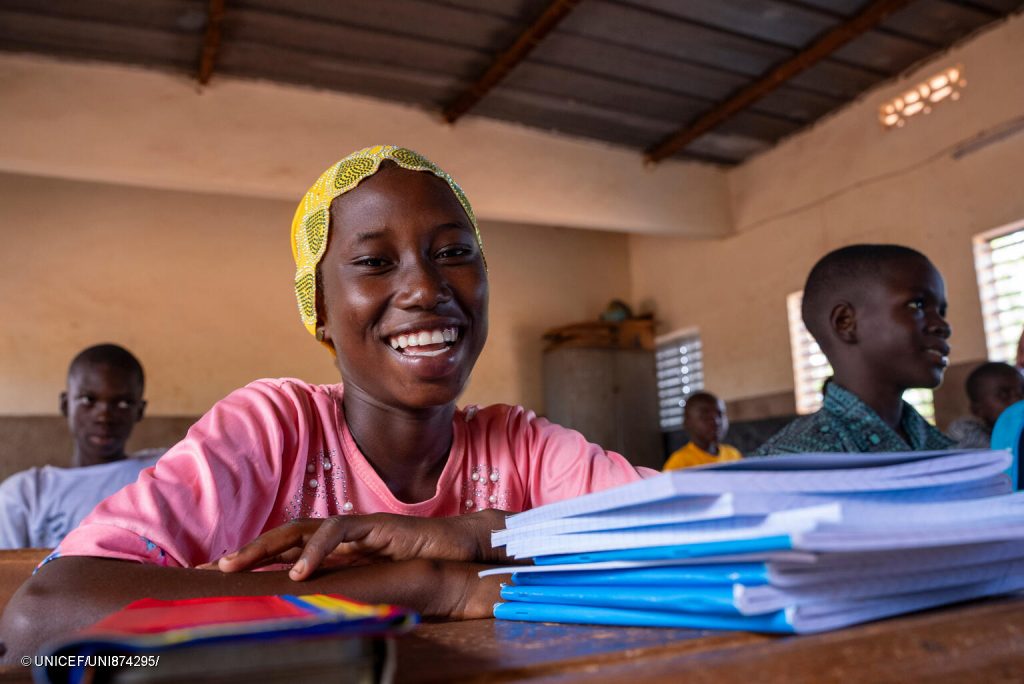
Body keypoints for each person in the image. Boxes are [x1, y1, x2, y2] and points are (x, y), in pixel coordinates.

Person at [0, 146, 652, 660]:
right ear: (320, 315)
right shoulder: (273, 430)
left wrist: (483, 534)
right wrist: (423, 585)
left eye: (453, 253)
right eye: (374, 262)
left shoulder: (522, 447)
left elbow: (729, 539)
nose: (425, 287)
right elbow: (42, 627)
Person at [754, 244, 954, 455]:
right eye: (917, 306)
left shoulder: (942, 447)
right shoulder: (790, 464)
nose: (943, 326)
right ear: (845, 322)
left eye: (941, 311)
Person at [0, 344, 163, 549]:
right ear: (65, 404)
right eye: (88, 400)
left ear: (139, 411)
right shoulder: (26, 494)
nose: (104, 416)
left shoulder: (160, 473)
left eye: (122, 403)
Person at [947, 362, 1024, 448]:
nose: (1018, 400)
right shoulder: (965, 433)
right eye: (1004, 395)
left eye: (1022, 391)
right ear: (977, 410)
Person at [663, 391, 742, 470]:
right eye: (706, 417)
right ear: (687, 423)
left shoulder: (734, 455)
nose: (716, 422)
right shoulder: (679, 463)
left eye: (720, 414)